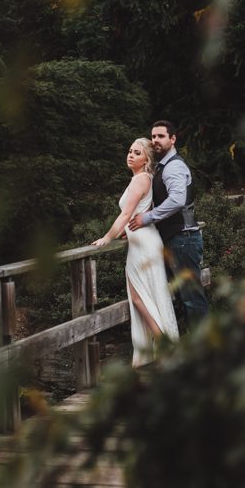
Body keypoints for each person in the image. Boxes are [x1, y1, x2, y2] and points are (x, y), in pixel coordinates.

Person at [92, 138, 179, 368]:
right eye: (130, 151)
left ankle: (164, 345)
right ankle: (160, 348)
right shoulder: (145, 178)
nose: (130, 155)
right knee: (147, 295)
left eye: (137, 152)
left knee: (139, 296)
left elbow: (125, 214)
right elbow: (139, 212)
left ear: (146, 158)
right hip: (143, 239)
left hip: (143, 244)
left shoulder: (140, 180)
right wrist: (125, 232)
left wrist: (107, 237)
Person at [128, 120, 209, 329]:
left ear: (172, 139)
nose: (155, 140)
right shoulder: (161, 167)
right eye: (153, 136)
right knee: (179, 296)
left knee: (192, 297)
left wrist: (147, 218)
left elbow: (177, 200)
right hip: (175, 239)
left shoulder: (174, 166)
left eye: (161, 136)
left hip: (183, 239)